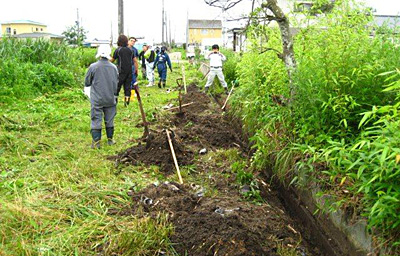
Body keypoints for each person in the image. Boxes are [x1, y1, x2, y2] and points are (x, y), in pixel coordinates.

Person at [84, 44, 119, 149]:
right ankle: (110, 140)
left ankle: (96, 143)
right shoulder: (114, 68)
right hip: (110, 98)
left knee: (96, 118)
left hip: (97, 99)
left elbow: (87, 82)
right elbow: (116, 83)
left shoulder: (93, 67)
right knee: (110, 119)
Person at [110, 34, 133, 106]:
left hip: (120, 71)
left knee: (117, 86)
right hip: (129, 71)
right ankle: (127, 103)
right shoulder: (130, 50)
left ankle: (115, 101)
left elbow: (112, 60)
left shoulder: (118, 50)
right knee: (127, 87)